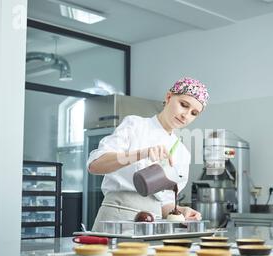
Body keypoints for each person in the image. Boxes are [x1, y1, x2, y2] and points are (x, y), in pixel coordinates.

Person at [87, 77, 209, 231]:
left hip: (153, 224)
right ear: (169, 97)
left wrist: (181, 211)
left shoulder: (182, 153)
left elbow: (164, 204)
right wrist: (142, 153)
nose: (186, 115)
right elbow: (95, 165)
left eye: (194, 113)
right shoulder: (135, 125)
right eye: (183, 105)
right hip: (117, 217)